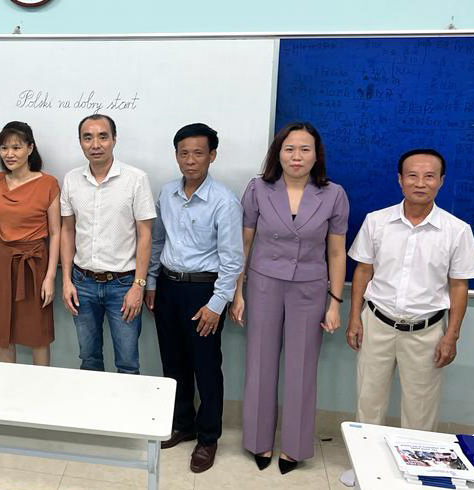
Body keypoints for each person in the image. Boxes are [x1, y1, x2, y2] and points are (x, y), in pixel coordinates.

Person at [230, 122, 348, 474]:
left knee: (302, 368)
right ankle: (258, 442)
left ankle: (294, 448)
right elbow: (244, 243)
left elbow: (337, 253)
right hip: (264, 285)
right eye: (289, 149)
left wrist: (334, 302)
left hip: (310, 290)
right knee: (260, 363)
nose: (297, 156)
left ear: (316, 155)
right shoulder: (258, 189)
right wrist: (238, 292)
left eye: (304, 149)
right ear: (278, 153)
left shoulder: (333, 194)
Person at [346, 149, 474, 431]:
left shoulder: (458, 231)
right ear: (400, 179)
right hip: (376, 324)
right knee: (368, 404)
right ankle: (367, 459)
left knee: (420, 414)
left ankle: (415, 462)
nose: (420, 183)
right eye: (412, 176)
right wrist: (354, 318)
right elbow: (363, 271)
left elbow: (458, 286)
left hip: (426, 332)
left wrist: (451, 335)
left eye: (429, 176)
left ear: (441, 181)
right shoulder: (376, 221)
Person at [145, 123, 243, 473]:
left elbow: (232, 260)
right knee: (173, 362)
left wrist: (217, 304)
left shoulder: (224, 201)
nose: (190, 160)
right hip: (168, 286)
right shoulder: (167, 193)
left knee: (206, 366)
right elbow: (158, 241)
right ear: (176, 156)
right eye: (183, 153)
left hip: (204, 291)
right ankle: (182, 423)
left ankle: (208, 437)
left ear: (212, 156)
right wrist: (151, 283)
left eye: (198, 153)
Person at [60, 114, 155, 375]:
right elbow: (67, 231)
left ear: (114, 139)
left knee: (127, 362)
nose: (95, 144)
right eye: (87, 137)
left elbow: (145, 235)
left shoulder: (136, 179)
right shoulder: (71, 180)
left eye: (103, 137)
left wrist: (138, 285)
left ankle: (126, 405)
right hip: (83, 284)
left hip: (123, 285)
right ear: (80, 142)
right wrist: (66, 281)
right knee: (89, 359)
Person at [0, 122, 60, 365]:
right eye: (4, 147)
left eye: (16, 147)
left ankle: (41, 385)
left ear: (30, 148)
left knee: (38, 335)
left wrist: (50, 277)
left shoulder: (48, 184)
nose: (9, 154)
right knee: (2, 333)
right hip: (3, 263)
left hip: (34, 264)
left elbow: (56, 233)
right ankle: (7, 386)